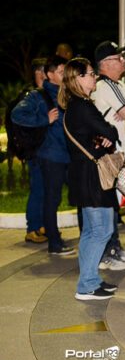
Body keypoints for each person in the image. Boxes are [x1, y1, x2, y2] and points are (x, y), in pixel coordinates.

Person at [61, 58, 119, 300]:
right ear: (78, 78)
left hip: (83, 175)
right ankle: (86, 285)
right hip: (92, 178)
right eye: (90, 73)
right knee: (102, 230)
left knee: (90, 232)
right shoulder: (83, 106)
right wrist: (107, 134)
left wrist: (103, 136)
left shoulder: (74, 106)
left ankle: (90, 280)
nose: (94, 77)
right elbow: (109, 130)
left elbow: (100, 134)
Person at [12, 55, 74, 255]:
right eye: (61, 72)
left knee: (64, 197)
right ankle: (53, 241)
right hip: (50, 155)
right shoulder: (37, 96)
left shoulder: (67, 93)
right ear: (49, 74)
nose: (65, 76)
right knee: (50, 197)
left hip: (68, 155)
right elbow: (17, 114)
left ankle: (54, 235)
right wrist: (43, 119)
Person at [91, 41, 125, 270]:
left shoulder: (119, 84)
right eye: (118, 58)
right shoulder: (105, 86)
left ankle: (114, 248)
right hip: (110, 155)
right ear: (105, 63)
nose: (123, 61)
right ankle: (107, 253)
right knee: (107, 204)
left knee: (113, 205)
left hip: (119, 153)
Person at [23, 58, 48, 244]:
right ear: (39, 73)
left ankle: (40, 225)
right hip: (36, 151)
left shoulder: (43, 94)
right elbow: (21, 118)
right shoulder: (31, 96)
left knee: (45, 190)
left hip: (45, 151)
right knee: (38, 190)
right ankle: (32, 228)